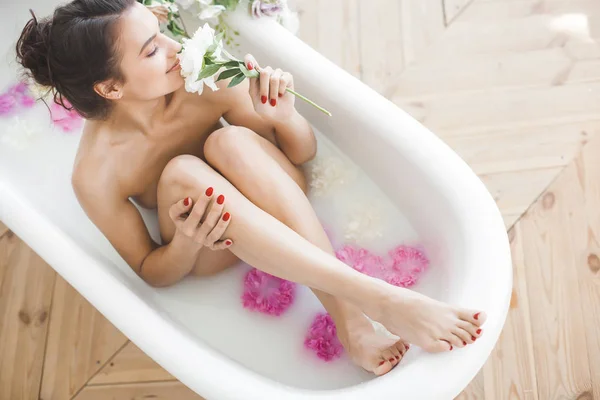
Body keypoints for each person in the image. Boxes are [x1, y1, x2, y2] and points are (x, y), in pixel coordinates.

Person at [15, 0, 486, 376]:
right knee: (181, 173)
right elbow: (151, 271)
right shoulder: (96, 173)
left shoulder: (205, 77)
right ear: (111, 89)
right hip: (212, 242)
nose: (175, 47)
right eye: (152, 49)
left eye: (160, 30)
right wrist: (185, 239)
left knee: (231, 140)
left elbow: (300, 156)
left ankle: (355, 316)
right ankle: (375, 298)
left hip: (275, 195)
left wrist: (285, 117)